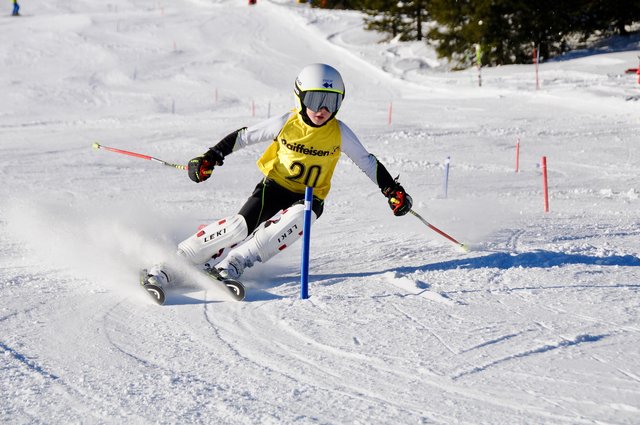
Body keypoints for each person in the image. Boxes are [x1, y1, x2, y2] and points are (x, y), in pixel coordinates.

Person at [145, 63, 412, 289]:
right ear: (300, 98)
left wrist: (392, 191)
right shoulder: (286, 123)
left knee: (301, 215)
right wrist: (211, 157)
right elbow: (244, 137)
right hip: (274, 187)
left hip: (311, 196)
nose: (322, 109)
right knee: (239, 227)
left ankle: (234, 264)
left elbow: (367, 161)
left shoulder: (339, 132)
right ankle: (173, 263)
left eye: (331, 102)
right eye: (315, 100)